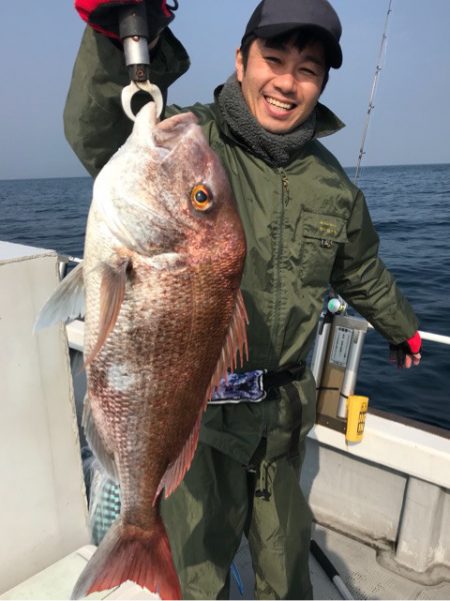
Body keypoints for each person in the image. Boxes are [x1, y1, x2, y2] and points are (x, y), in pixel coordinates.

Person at [64, 0, 422, 598]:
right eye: (273, 58)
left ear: (323, 83)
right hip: (199, 421)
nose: (287, 81)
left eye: (308, 69)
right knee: (198, 577)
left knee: (285, 571)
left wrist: (402, 327)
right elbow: (98, 128)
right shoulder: (189, 142)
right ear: (240, 60)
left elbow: (359, 268)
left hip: (283, 418)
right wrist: (113, 36)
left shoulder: (332, 183)